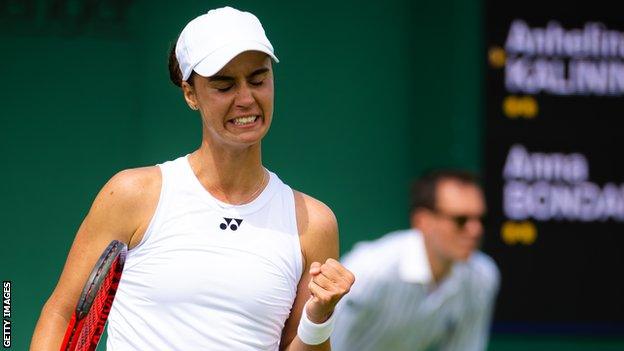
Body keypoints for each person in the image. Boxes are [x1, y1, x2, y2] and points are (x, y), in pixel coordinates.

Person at [30, 7, 354, 351]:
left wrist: (318, 320)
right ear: (190, 94)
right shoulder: (132, 195)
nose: (246, 99)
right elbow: (62, 314)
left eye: (258, 80)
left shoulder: (314, 224)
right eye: (224, 85)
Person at [331, 170, 499, 351]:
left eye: (482, 220)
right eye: (461, 220)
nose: (475, 230)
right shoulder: (370, 271)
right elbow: (328, 341)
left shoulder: (482, 276)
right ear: (422, 221)